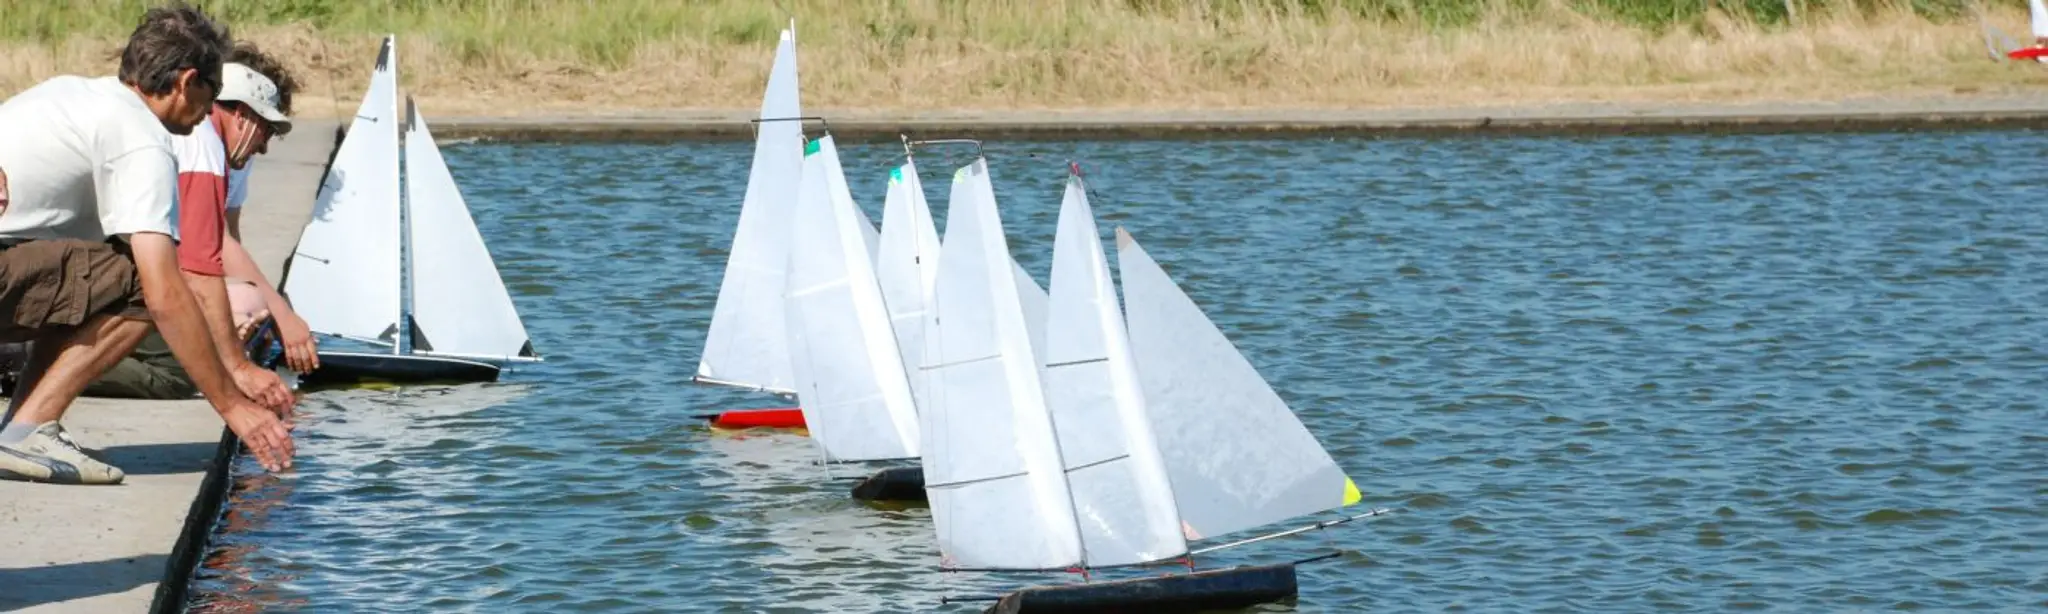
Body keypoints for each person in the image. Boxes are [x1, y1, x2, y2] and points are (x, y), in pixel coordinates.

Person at [0, 3, 294, 485]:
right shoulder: (141, 137)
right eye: (213, 91)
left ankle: (22, 430)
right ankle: (31, 427)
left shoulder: (69, 92)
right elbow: (165, 291)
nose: (210, 109)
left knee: (100, 271)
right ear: (187, 81)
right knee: (143, 278)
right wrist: (233, 405)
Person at [82, 48, 309, 400]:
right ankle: (24, 361)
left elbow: (215, 249)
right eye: (266, 130)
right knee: (182, 370)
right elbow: (203, 261)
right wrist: (237, 362)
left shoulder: (204, 139)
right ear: (242, 115)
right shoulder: (202, 142)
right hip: (97, 267)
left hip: (101, 256)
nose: (263, 148)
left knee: (242, 303)